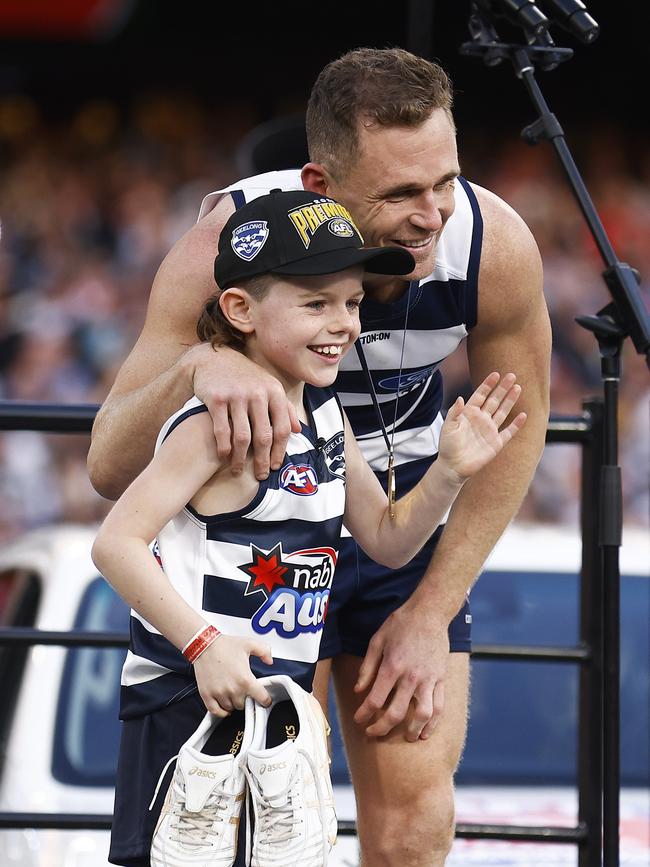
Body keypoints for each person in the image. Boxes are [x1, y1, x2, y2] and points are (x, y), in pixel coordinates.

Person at [88, 48, 551, 867]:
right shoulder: (231, 245)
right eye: (401, 192)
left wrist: (431, 610)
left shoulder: (492, 245)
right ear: (320, 184)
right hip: (259, 534)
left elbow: (519, 424)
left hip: (392, 509)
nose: (433, 213)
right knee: (260, 821)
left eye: (445, 180)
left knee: (412, 824)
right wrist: (202, 362)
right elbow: (107, 464)